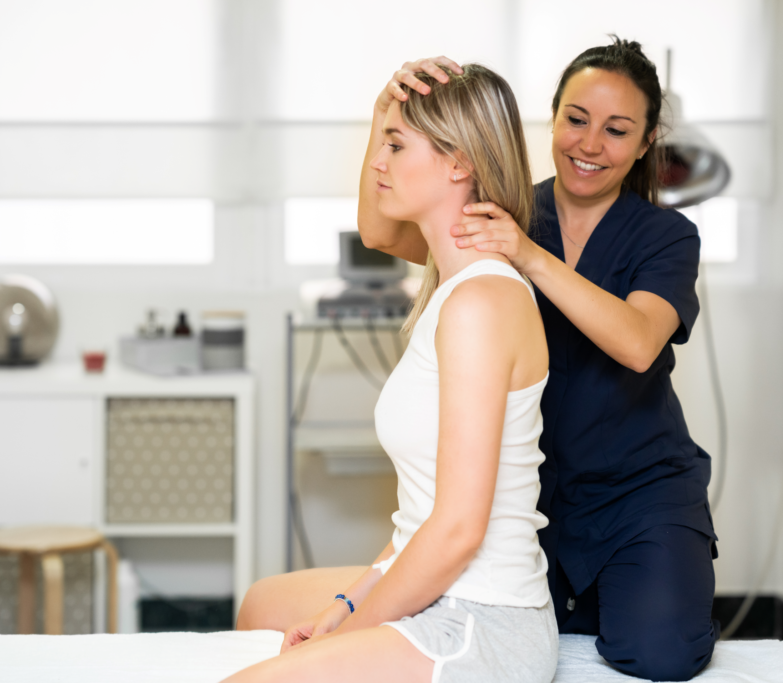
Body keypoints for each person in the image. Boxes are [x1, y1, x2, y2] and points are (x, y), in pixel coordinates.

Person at [357, 40, 719, 682]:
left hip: (640, 491)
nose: (589, 143)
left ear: (645, 142)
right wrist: (390, 110)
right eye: (575, 119)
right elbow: (383, 233)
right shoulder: (507, 211)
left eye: (617, 130)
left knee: (657, 653)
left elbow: (638, 343)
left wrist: (528, 254)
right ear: (552, 118)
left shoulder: (665, 236)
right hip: (537, 498)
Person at [229, 64, 558, 683]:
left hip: (481, 620)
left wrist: (344, 635)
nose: (378, 160)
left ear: (458, 162)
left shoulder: (481, 305)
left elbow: (459, 530)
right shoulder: (450, 286)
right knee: (261, 606)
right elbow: (421, 518)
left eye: (396, 145)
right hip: (437, 579)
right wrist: (343, 608)